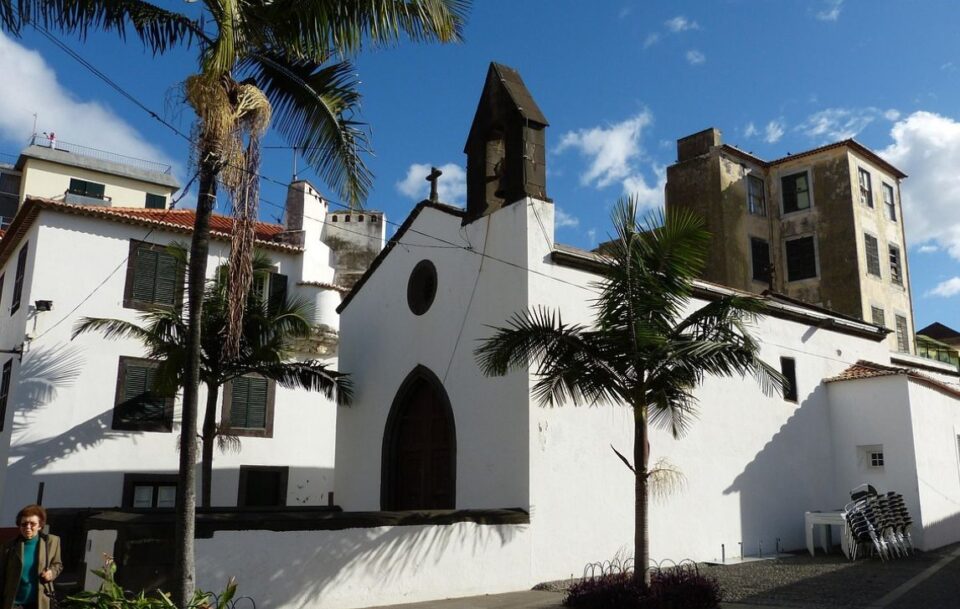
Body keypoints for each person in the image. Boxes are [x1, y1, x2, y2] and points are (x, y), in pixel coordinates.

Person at [0, 505, 62, 609]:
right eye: (24, 524)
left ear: (40, 526)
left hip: (39, 601)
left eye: (32, 524)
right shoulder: (8, 547)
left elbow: (57, 564)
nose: (28, 527)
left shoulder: (51, 542)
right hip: (14, 603)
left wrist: (52, 573)